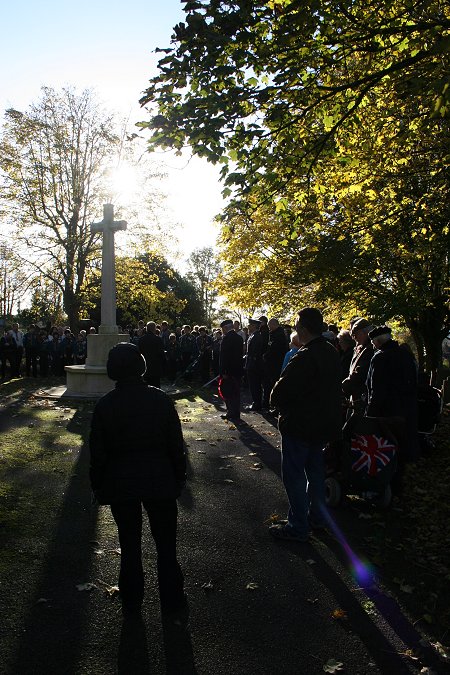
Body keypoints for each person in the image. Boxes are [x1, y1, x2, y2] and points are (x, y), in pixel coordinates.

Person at [89, 342, 187, 619]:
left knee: (129, 544)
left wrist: (97, 484)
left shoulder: (105, 406)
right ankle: (173, 598)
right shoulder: (160, 400)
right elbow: (174, 445)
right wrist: (179, 477)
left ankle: (132, 600)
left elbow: (99, 453)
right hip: (160, 479)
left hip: (122, 482)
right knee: (166, 545)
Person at [269, 307, 342, 542]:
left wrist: (278, 404)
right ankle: (316, 519)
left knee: (295, 476)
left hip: (301, 425)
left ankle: (298, 525)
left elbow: (281, 391)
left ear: (302, 328)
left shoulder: (305, 355)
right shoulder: (331, 352)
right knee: (316, 474)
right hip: (323, 424)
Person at [366, 325, 419, 462]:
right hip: (407, 409)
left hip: (387, 412)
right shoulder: (406, 355)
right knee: (402, 448)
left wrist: (370, 414)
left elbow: (377, 389)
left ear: (378, 342)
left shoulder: (380, 358)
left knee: (386, 450)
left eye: (373, 343)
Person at [342, 318, 374, 414]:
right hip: (356, 397)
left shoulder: (369, 350)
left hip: (361, 398)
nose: (353, 337)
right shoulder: (361, 348)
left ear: (364, 333)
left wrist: (341, 388)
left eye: (355, 334)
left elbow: (359, 373)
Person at [218, 319, 244, 421]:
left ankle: (230, 412)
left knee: (228, 392)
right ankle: (236, 412)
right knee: (236, 392)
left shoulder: (227, 338)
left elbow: (225, 357)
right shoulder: (239, 338)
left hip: (228, 372)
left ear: (225, 328)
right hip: (237, 370)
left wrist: (224, 371)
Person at [262, 318, 289, 410]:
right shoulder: (273, 334)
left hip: (275, 363)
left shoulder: (279, 335)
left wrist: (266, 355)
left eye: (270, 325)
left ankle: (274, 405)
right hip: (272, 363)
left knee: (273, 383)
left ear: (274, 324)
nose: (269, 328)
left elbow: (274, 349)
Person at [244, 318, 264, 411]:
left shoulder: (257, 336)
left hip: (254, 365)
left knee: (255, 385)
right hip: (251, 364)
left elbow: (255, 353)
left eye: (250, 325)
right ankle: (256, 403)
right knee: (253, 385)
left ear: (254, 326)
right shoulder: (253, 335)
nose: (248, 326)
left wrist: (251, 363)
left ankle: (257, 404)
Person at [138, 321, 165, 388]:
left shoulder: (141, 339)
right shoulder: (158, 339)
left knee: (146, 387)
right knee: (156, 387)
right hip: (155, 367)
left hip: (145, 367)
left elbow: (139, 353)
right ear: (154, 329)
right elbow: (161, 354)